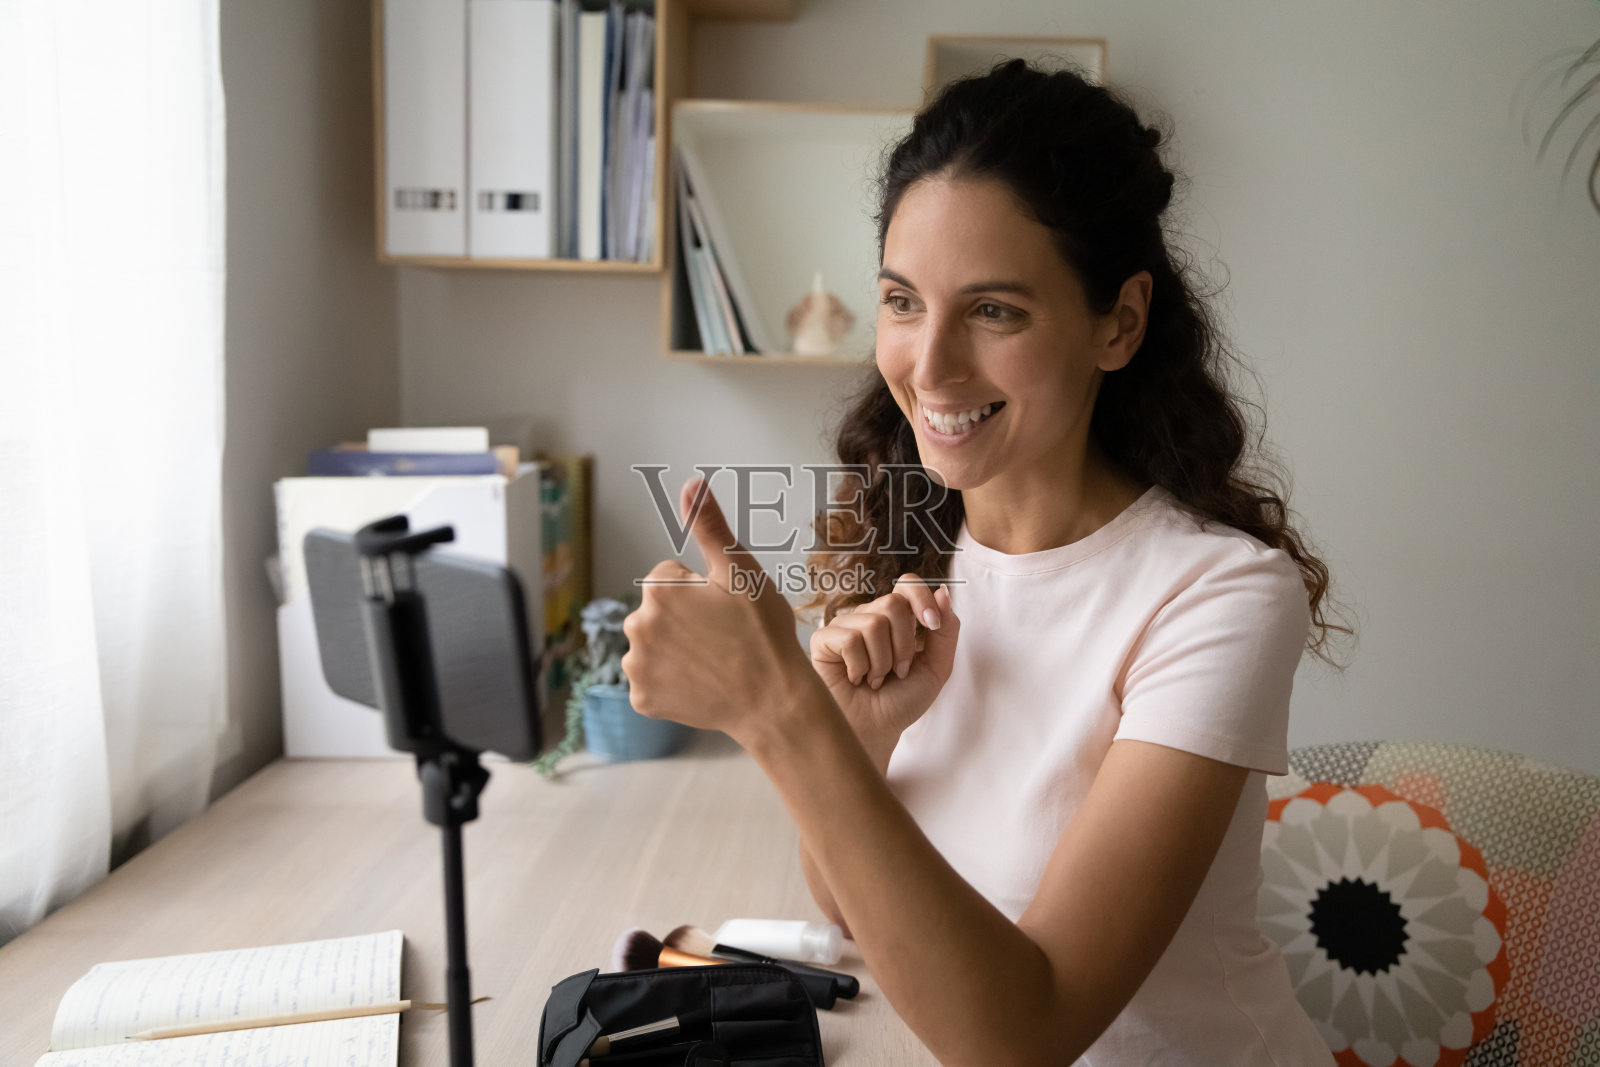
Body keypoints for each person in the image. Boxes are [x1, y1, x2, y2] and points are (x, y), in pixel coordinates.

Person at [620, 59, 1353, 1066]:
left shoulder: (1217, 596)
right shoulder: (913, 550)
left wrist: (776, 707)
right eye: (902, 300)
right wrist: (860, 740)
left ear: (1118, 321)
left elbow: (1021, 1031)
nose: (929, 366)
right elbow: (846, 908)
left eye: (995, 309)